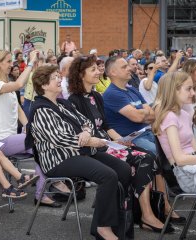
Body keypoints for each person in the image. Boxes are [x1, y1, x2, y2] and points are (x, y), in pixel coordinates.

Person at [68, 55, 174, 233]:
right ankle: (146, 214)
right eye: (93, 69)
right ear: (80, 75)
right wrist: (111, 142)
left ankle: (146, 213)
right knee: (145, 159)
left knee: (146, 158)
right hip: (92, 148)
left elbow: (106, 126)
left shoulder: (97, 96)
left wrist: (120, 141)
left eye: (97, 68)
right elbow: (82, 133)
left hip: (107, 142)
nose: (98, 72)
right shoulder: (74, 101)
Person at [26, 64, 132, 240]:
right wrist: (90, 140)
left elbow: (87, 122)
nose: (60, 79)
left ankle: (114, 218)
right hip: (58, 160)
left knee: (123, 169)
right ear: (43, 85)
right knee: (107, 175)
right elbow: (59, 139)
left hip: (79, 152)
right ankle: (102, 227)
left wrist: (85, 133)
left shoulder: (62, 103)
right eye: (54, 77)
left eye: (59, 76)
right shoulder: (41, 109)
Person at [0, 50, 62, 207]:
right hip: (0, 140)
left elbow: (19, 110)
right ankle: (50, 183)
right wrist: (30, 62)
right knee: (42, 140)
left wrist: (29, 126)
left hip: (11, 138)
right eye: (8, 62)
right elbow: (19, 84)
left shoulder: (6, 85)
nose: (11, 65)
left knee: (44, 149)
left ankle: (41, 192)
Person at [152, 71, 196, 201]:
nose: (193, 93)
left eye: (193, 89)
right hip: (185, 174)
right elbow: (179, 159)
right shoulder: (169, 117)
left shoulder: (184, 114)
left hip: (194, 165)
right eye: (189, 89)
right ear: (174, 90)